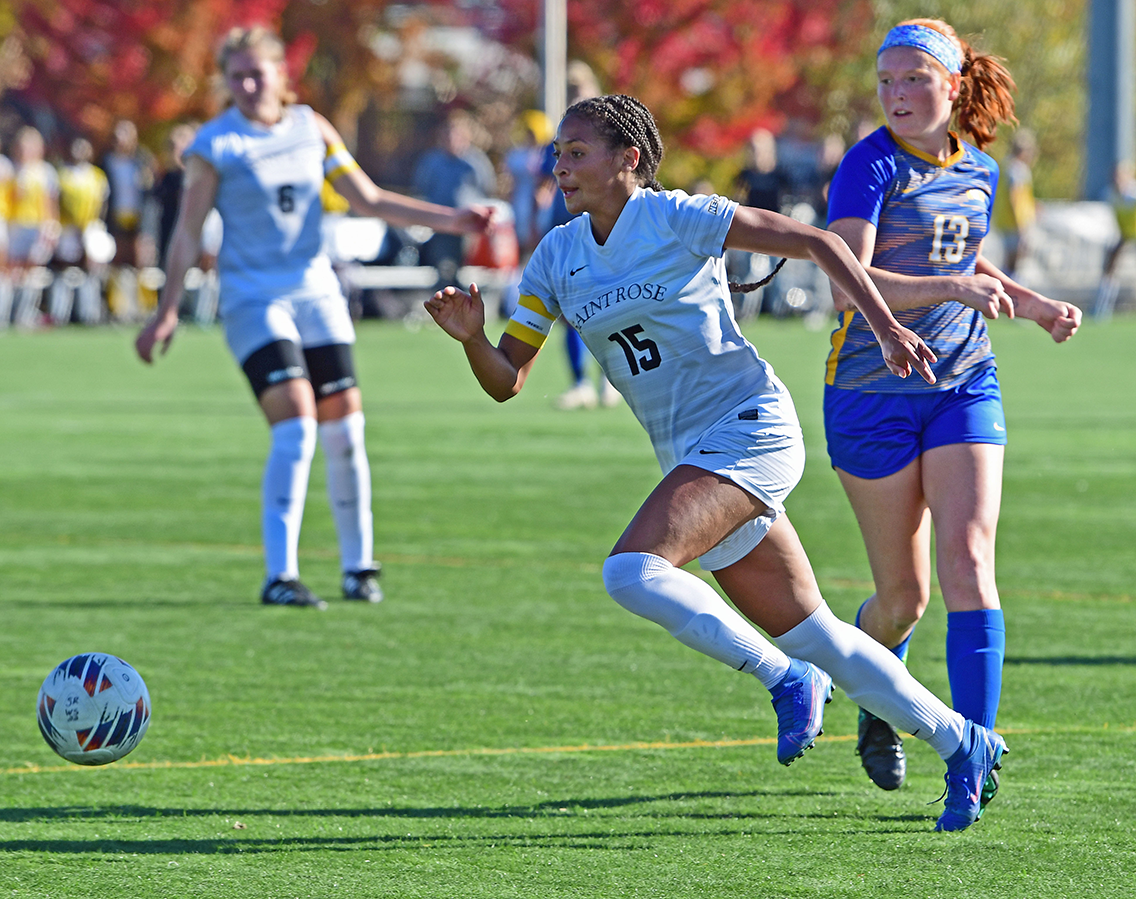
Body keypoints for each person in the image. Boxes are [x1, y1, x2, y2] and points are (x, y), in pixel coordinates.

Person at [426, 93, 1006, 832]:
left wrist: (886, 327)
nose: (559, 165)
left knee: (631, 570)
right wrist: (473, 338)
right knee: (822, 633)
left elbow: (824, 245)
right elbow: (508, 378)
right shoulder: (556, 255)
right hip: (695, 454)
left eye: (577, 152)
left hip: (751, 427)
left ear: (627, 159)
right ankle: (966, 743)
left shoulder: (678, 215)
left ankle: (785, 677)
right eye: (558, 153)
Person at [135, 26, 491, 609]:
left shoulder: (310, 127)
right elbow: (186, 233)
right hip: (253, 299)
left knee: (346, 430)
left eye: (258, 72)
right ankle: (281, 576)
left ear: (282, 74)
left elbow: (368, 199)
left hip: (315, 291)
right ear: (225, 81)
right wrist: (167, 310)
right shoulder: (214, 144)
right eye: (237, 75)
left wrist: (455, 220)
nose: (249, 84)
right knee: (297, 425)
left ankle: (359, 568)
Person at [823, 19, 1080, 802]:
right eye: (886, 82)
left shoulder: (981, 171)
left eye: (913, 79)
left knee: (969, 560)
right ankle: (878, 698)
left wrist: (1030, 305)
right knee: (905, 596)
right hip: (871, 395)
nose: (897, 95)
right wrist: (952, 288)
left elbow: (959, 256)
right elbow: (846, 285)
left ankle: (973, 757)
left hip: (964, 380)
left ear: (953, 84)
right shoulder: (868, 166)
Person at [411, 110, 496, 285]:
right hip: (440, 221)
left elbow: (488, 188)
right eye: (447, 134)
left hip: (468, 224)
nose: (450, 139)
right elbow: (421, 188)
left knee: (464, 265)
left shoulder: (475, 161)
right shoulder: (432, 161)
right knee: (443, 264)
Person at [991, 127, 1037, 281]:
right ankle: (1010, 291)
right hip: (1014, 222)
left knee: (1011, 259)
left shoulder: (1006, 165)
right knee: (1015, 260)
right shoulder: (1017, 169)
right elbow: (1015, 197)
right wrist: (1021, 224)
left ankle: (1008, 289)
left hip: (1006, 220)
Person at [1093, 159, 1136, 320]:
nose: (1116, 179)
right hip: (1125, 235)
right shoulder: (1109, 194)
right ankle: (1102, 309)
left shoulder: (1132, 194)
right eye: (1114, 176)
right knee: (1109, 268)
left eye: (1119, 176)